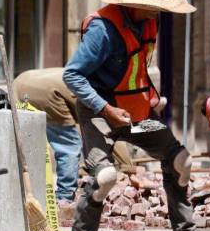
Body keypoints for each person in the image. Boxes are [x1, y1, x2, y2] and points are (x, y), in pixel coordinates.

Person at [62, 0, 210, 231]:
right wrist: (106, 109)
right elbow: (72, 76)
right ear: (134, 2)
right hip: (100, 116)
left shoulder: (148, 23)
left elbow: (135, 69)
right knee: (104, 176)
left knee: (180, 160)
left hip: (135, 117)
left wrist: (150, 98)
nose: (158, 10)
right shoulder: (102, 30)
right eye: (153, 5)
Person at [14, 68, 136, 202]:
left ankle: (30, 193)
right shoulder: (108, 101)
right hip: (49, 93)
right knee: (69, 144)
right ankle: (64, 197)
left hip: (20, 83)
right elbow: (111, 136)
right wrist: (129, 170)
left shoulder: (96, 77)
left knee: (32, 144)